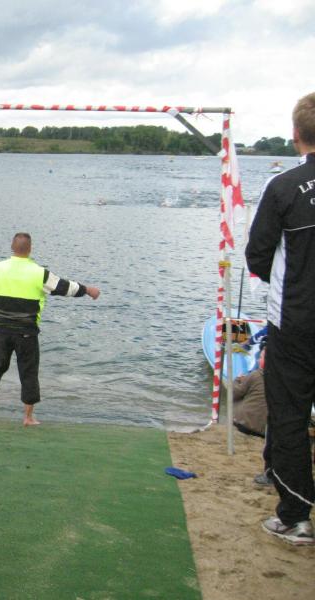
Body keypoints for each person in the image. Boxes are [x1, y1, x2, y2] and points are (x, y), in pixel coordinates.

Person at [245, 91, 315, 546]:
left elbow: (257, 255)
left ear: (295, 135)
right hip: (296, 317)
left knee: (289, 415)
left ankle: (295, 516)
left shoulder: (284, 186)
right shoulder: (285, 186)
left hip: (296, 321)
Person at [0, 233, 100, 426]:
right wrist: (87, 290)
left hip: (0, 330)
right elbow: (65, 287)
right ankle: (28, 417)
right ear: (30, 249)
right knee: (28, 371)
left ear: (12, 247)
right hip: (26, 333)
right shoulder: (39, 273)